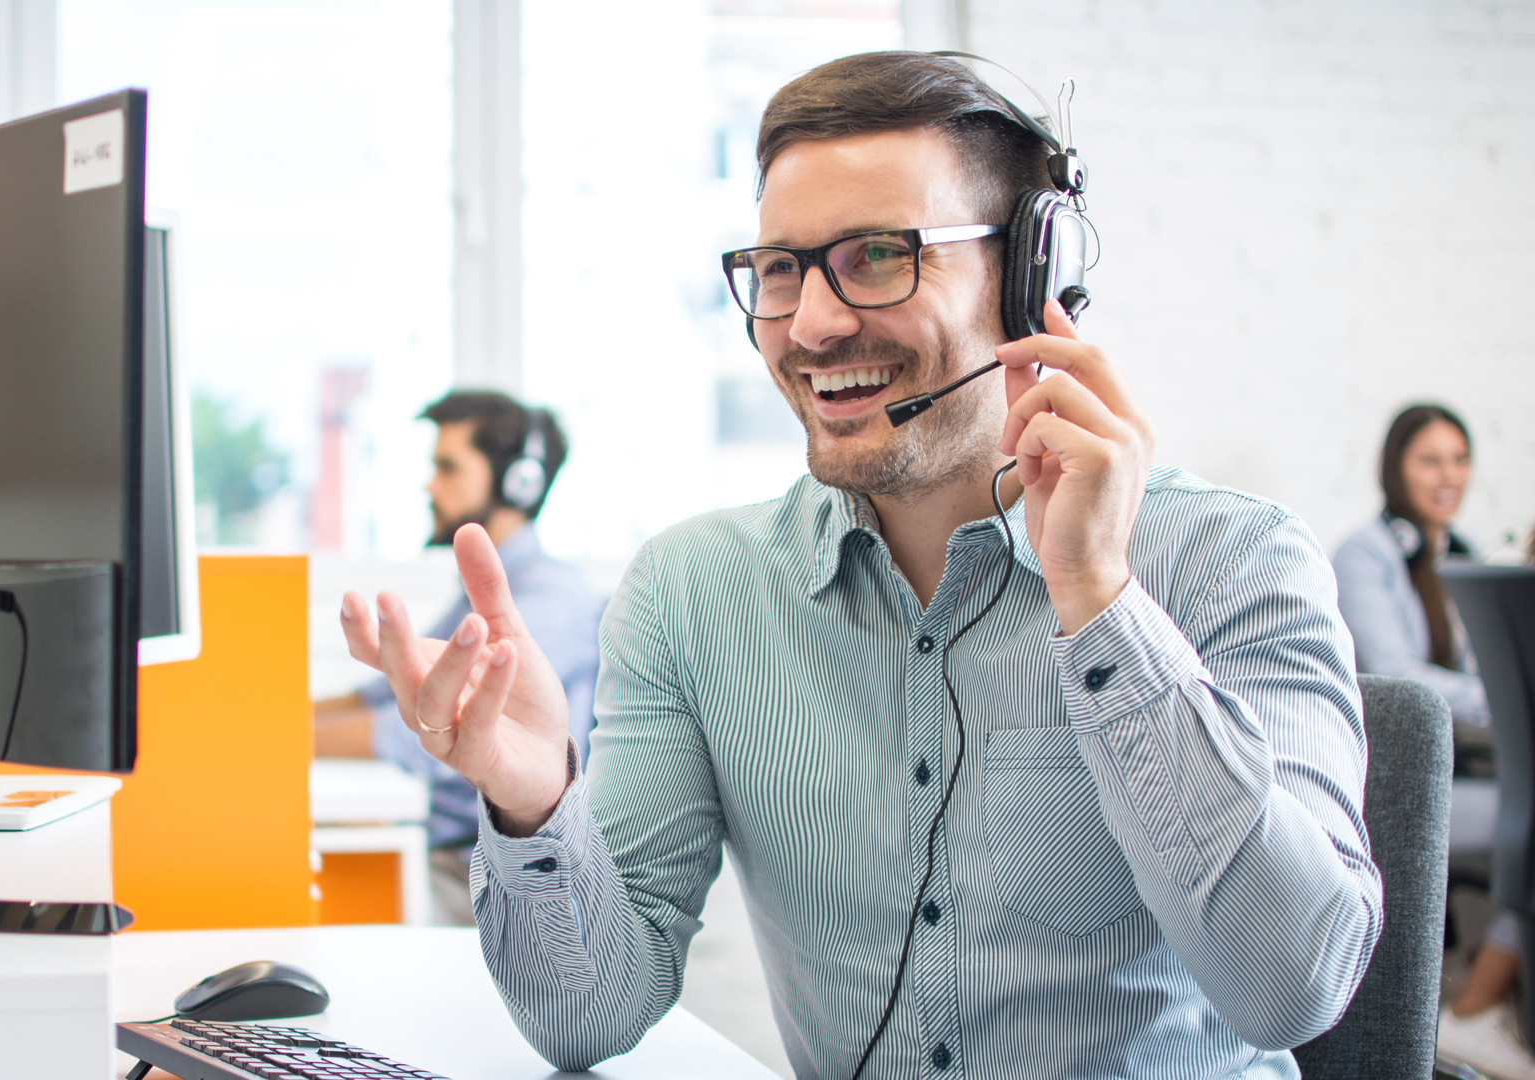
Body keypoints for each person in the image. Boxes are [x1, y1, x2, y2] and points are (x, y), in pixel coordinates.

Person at [340, 53, 1378, 1078]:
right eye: (781, 270)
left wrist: (1102, 607)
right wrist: (532, 805)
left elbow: (1292, 989)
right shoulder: (693, 596)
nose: (817, 324)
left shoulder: (1231, 560)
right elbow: (584, 1020)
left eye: (879, 255)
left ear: (1032, 280)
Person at [314, 391, 604, 926]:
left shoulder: (546, 602)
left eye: (448, 468)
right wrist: (274, 720)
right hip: (444, 850)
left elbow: (422, 734)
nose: (430, 486)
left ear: (519, 482)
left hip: (490, 875)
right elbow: (384, 692)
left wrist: (271, 742)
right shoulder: (481, 592)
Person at [1333, 406, 1527, 1078]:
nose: (1449, 476)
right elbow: (1403, 684)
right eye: (1430, 460)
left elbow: (1474, 677)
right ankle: (1476, 1010)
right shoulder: (1367, 554)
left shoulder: (1464, 555)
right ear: (1396, 469)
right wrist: (1510, 687)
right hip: (1399, 787)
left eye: (1459, 459)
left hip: (1469, 765)